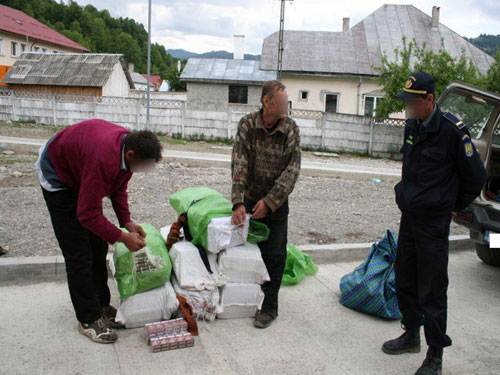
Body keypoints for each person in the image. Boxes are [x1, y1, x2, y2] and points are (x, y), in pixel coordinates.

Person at [382, 71, 487, 374]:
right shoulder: (413, 126)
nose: (408, 108)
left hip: (433, 224)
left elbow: (476, 177)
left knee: (432, 288)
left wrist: (451, 206)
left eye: (412, 102)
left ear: (429, 100)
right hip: (410, 219)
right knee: (405, 279)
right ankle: (412, 334)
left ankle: (435, 356)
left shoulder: (453, 131)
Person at [36, 119, 163, 344]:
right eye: (143, 165)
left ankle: (101, 305)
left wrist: (127, 222)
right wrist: (123, 238)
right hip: (58, 175)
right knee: (79, 254)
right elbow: (87, 214)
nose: (143, 171)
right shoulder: (103, 159)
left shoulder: (127, 153)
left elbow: (119, 186)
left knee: (98, 245)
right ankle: (88, 319)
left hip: (80, 170)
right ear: (131, 154)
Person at [231, 80, 301, 329]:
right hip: (249, 199)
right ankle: (248, 299)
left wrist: (271, 202)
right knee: (248, 252)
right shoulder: (248, 125)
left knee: (275, 254)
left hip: (277, 204)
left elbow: (292, 171)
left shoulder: (291, 128)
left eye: (286, 101)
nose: (285, 105)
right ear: (266, 101)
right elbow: (239, 163)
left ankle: (269, 307)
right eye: (281, 101)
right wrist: (238, 202)